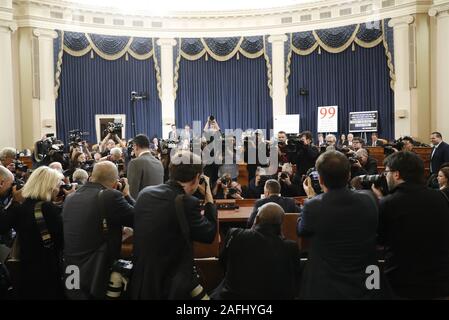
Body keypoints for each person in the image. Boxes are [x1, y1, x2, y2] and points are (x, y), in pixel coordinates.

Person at [131, 151, 217, 299]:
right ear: (197, 177)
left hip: (142, 280)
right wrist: (208, 193)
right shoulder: (187, 203)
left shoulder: (145, 194)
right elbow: (209, 235)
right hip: (170, 286)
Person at [297, 150, 380, 299]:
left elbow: (302, 230)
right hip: (367, 282)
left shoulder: (313, 205)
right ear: (348, 175)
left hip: (327, 285)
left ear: (320, 180)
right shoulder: (370, 199)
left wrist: (310, 197)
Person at [373, 151, 449, 299]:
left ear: (396, 174)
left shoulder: (389, 203)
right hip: (439, 281)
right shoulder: (440, 197)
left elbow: (379, 240)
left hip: (403, 282)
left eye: (386, 172)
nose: (385, 176)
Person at [62, 161, 134, 299]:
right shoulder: (111, 196)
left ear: (91, 177)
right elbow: (139, 218)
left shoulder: (70, 198)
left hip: (72, 269)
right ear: (115, 183)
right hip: (96, 270)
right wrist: (127, 195)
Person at [0, 166, 70, 299]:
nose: (58, 189)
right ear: (48, 186)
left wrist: (13, 201)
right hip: (47, 271)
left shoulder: (20, 207)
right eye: (57, 185)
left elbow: (2, 226)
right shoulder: (49, 209)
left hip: (25, 270)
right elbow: (63, 242)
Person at [212, 202, 301, 300]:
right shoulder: (290, 247)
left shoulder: (236, 235)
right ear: (281, 224)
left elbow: (222, 262)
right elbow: (294, 278)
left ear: (257, 219)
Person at [127, 134, 164, 199]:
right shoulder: (159, 163)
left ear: (136, 146)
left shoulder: (135, 162)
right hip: (158, 205)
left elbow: (132, 193)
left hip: (141, 206)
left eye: (133, 148)